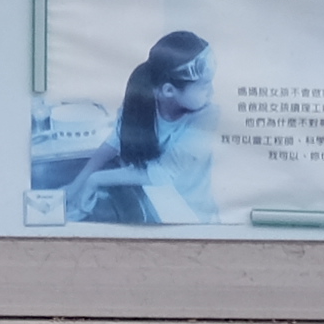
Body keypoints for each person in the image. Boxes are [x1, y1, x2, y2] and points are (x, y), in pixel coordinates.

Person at [64, 30, 221, 224]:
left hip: (194, 218)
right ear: (168, 90)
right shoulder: (141, 101)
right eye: (204, 86)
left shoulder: (208, 116)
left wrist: (95, 180)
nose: (212, 91)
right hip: (156, 201)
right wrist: (76, 185)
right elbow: (116, 140)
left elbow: (161, 173)